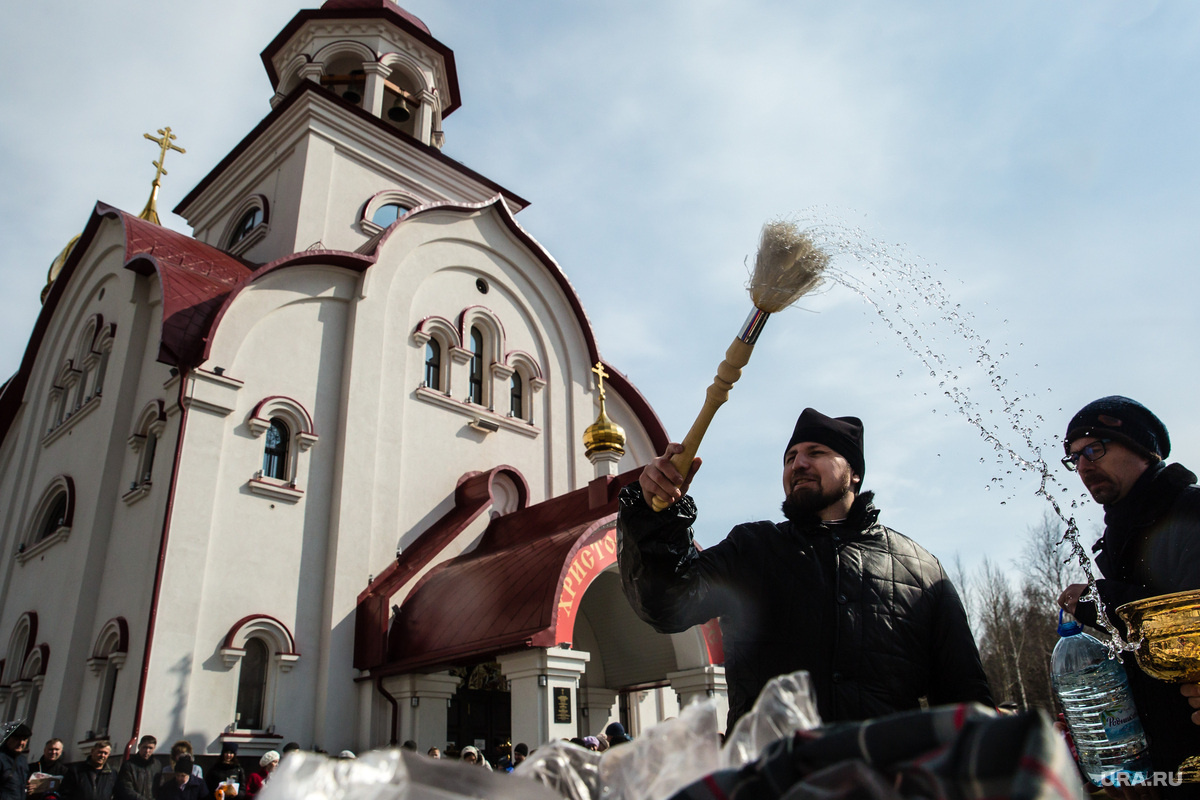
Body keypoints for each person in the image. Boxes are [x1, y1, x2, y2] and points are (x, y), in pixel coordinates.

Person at [619, 408, 993, 730]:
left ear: (854, 472)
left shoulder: (921, 571)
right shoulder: (753, 549)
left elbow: (965, 701)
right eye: (790, 457)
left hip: (882, 781)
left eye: (816, 452)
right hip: (771, 782)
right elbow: (667, 603)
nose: (798, 464)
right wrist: (657, 517)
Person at [1057, 396, 1200, 785]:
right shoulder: (1121, 538)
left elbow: (1186, 625)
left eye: (1095, 449)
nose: (1084, 465)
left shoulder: (1191, 512)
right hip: (1165, 770)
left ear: (1144, 450)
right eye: (1075, 458)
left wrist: (1101, 601)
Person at [116, 736, 158, 800]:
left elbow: (158, 787)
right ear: (139, 746)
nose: (147, 751)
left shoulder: (157, 765)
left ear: (154, 748)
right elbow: (125, 788)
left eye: (150, 748)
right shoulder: (129, 765)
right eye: (145, 747)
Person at [0, 722, 32, 800]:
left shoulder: (23, 760)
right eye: (17, 739)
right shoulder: (1, 758)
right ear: (8, 739)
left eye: (24, 739)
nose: (21, 743)